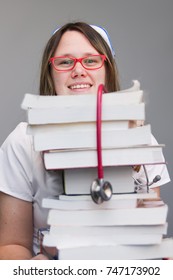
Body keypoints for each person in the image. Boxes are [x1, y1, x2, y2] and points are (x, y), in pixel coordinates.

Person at [0, 21, 170, 260]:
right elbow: (11, 246)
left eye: (91, 60)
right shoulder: (22, 143)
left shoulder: (142, 141)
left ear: (107, 69)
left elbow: (148, 232)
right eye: (65, 62)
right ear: (50, 73)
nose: (78, 70)